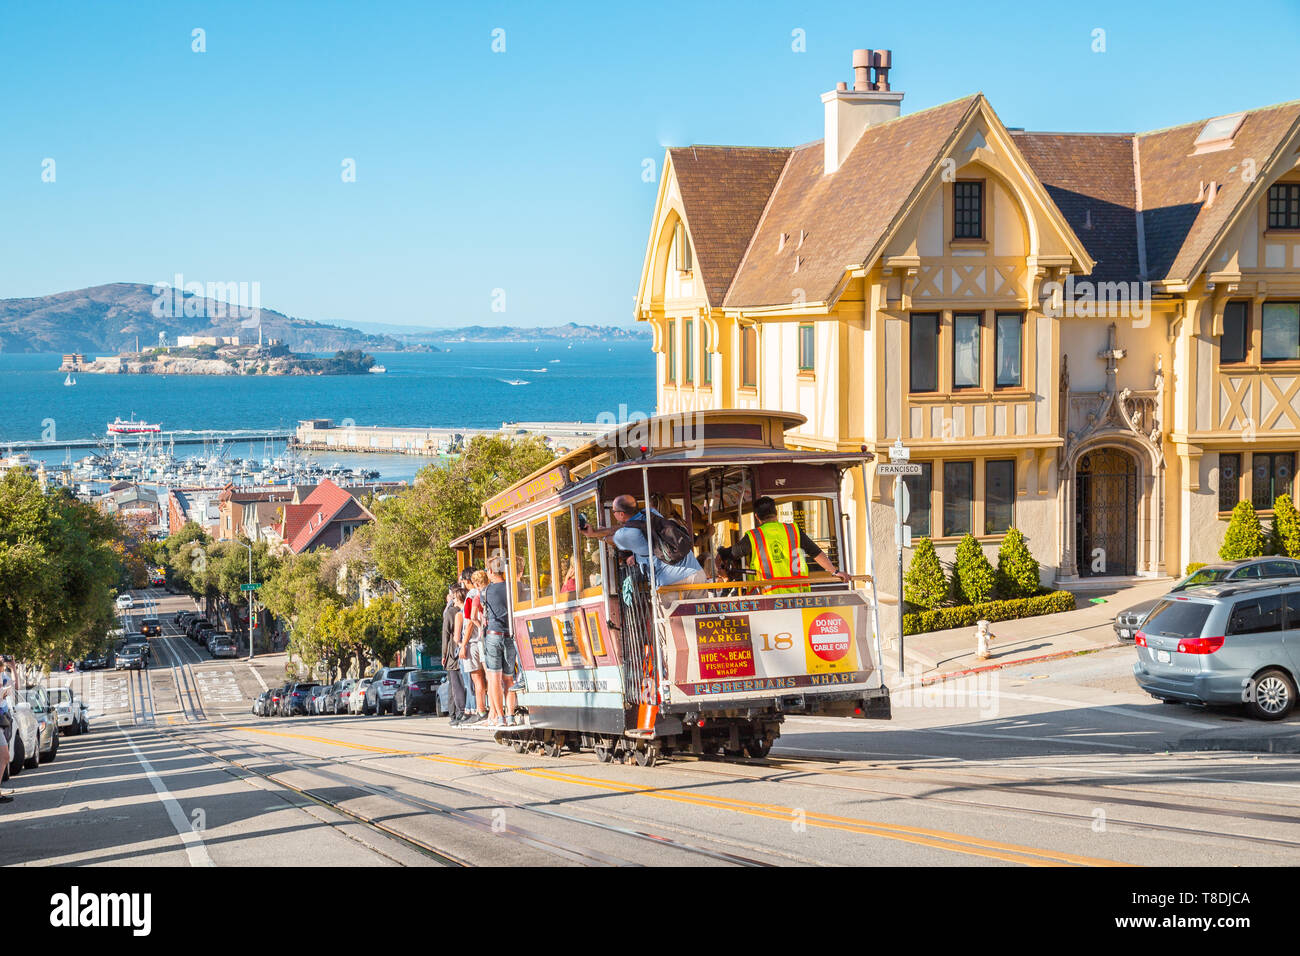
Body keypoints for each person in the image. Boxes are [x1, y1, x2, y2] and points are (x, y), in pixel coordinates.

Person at [719, 496, 849, 592]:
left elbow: (729, 554)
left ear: (757, 517)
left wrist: (719, 567)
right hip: (798, 595)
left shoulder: (753, 536)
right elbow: (816, 552)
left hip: (769, 598)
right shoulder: (794, 530)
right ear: (776, 513)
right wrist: (835, 571)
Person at [581, 494, 707, 593]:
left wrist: (595, 535)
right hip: (697, 574)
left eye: (613, 511)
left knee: (670, 624)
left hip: (672, 584)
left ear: (621, 514)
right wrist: (598, 531)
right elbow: (622, 527)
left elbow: (613, 537)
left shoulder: (626, 535)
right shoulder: (652, 513)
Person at [479, 553, 518, 728]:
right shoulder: (513, 588)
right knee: (509, 678)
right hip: (510, 635)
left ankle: (500, 717)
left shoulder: (485, 592)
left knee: (494, 678)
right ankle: (511, 715)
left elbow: (483, 612)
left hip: (493, 635)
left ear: (490, 571)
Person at [458, 572, 488, 724]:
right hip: (484, 639)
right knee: (489, 675)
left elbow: (470, 621)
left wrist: (463, 644)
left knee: (477, 679)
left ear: (468, 581)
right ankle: (491, 709)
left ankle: (481, 709)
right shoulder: (488, 591)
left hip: (474, 641)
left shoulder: (472, 595)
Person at [442, 586, 468, 725]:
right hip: (467, 650)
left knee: (455, 685)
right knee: (466, 683)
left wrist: (444, 654)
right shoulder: (466, 608)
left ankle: (459, 713)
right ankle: (463, 711)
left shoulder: (451, 612)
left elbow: (446, 634)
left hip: (454, 653)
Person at [0, 658, 17, 803]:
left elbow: (14, 686)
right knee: (4, 756)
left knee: (5, 756)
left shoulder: (3, 676)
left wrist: (13, 668)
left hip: (1, 718)